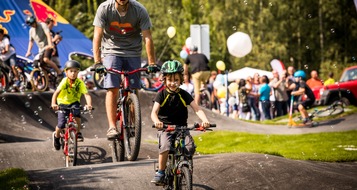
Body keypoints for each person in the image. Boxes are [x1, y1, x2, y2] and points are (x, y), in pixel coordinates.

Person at [92, 0, 157, 139]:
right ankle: (111, 127)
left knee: (134, 88)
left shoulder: (139, 10)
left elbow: (147, 37)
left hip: (133, 51)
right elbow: (97, 35)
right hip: (111, 51)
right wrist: (97, 62)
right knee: (112, 88)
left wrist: (152, 62)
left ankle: (133, 122)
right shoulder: (104, 8)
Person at [150, 60, 210, 185]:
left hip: (182, 127)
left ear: (181, 80)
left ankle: (186, 168)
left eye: (176, 80)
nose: (173, 83)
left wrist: (205, 120)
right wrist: (157, 122)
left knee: (189, 147)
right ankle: (161, 172)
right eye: (170, 80)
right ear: (164, 80)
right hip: (166, 128)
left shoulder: (184, 94)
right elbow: (154, 112)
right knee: (166, 146)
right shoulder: (161, 95)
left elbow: (197, 109)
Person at [51, 60, 92, 150]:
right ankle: (56, 136)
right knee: (61, 124)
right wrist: (53, 103)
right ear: (66, 72)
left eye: (75, 71)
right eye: (71, 71)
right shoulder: (64, 81)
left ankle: (77, 132)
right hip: (62, 103)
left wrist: (89, 104)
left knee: (77, 115)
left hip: (74, 102)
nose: (73, 73)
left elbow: (86, 94)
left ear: (78, 72)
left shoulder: (79, 82)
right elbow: (56, 93)